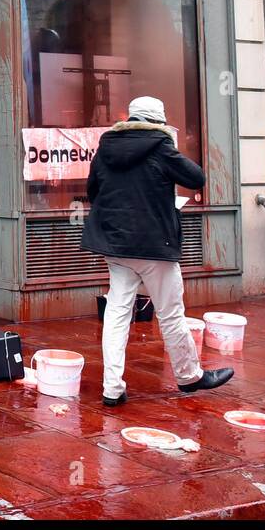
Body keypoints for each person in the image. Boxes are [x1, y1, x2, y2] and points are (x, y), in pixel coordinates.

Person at [81, 95, 232, 406]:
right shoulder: (161, 148)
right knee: (170, 314)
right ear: (159, 123)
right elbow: (197, 177)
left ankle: (112, 388)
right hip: (153, 246)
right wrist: (170, 150)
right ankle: (189, 376)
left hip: (117, 245)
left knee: (117, 313)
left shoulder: (105, 148)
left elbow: (93, 191)